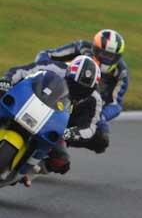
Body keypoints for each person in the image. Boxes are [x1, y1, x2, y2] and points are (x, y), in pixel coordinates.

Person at [0, 55, 102, 184]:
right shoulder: (54, 67)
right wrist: (6, 81)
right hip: (28, 102)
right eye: (73, 85)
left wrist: (70, 133)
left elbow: (90, 127)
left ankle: (28, 172)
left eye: (83, 90)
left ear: (91, 90)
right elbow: (21, 71)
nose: (76, 91)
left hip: (55, 123)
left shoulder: (95, 99)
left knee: (61, 161)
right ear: (68, 73)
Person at [35, 29, 128, 153]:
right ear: (95, 48)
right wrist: (46, 73)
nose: (106, 58)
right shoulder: (81, 48)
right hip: (60, 90)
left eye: (111, 56)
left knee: (102, 139)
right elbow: (47, 55)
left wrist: (102, 116)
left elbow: (116, 104)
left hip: (88, 105)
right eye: (103, 53)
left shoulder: (121, 73)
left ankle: (60, 142)